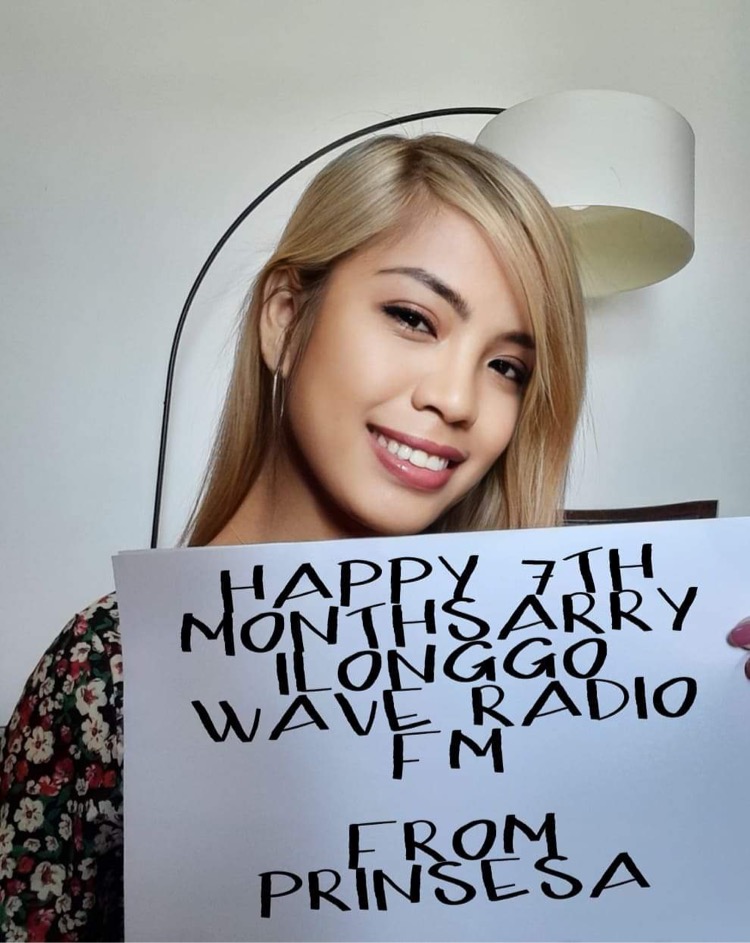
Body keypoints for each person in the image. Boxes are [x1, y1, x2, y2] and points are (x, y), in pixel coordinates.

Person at [0, 132, 742, 942]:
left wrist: (716, 752)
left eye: (508, 367)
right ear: (286, 318)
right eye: (413, 317)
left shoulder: (558, 689)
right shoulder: (108, 667)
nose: (457, 399)